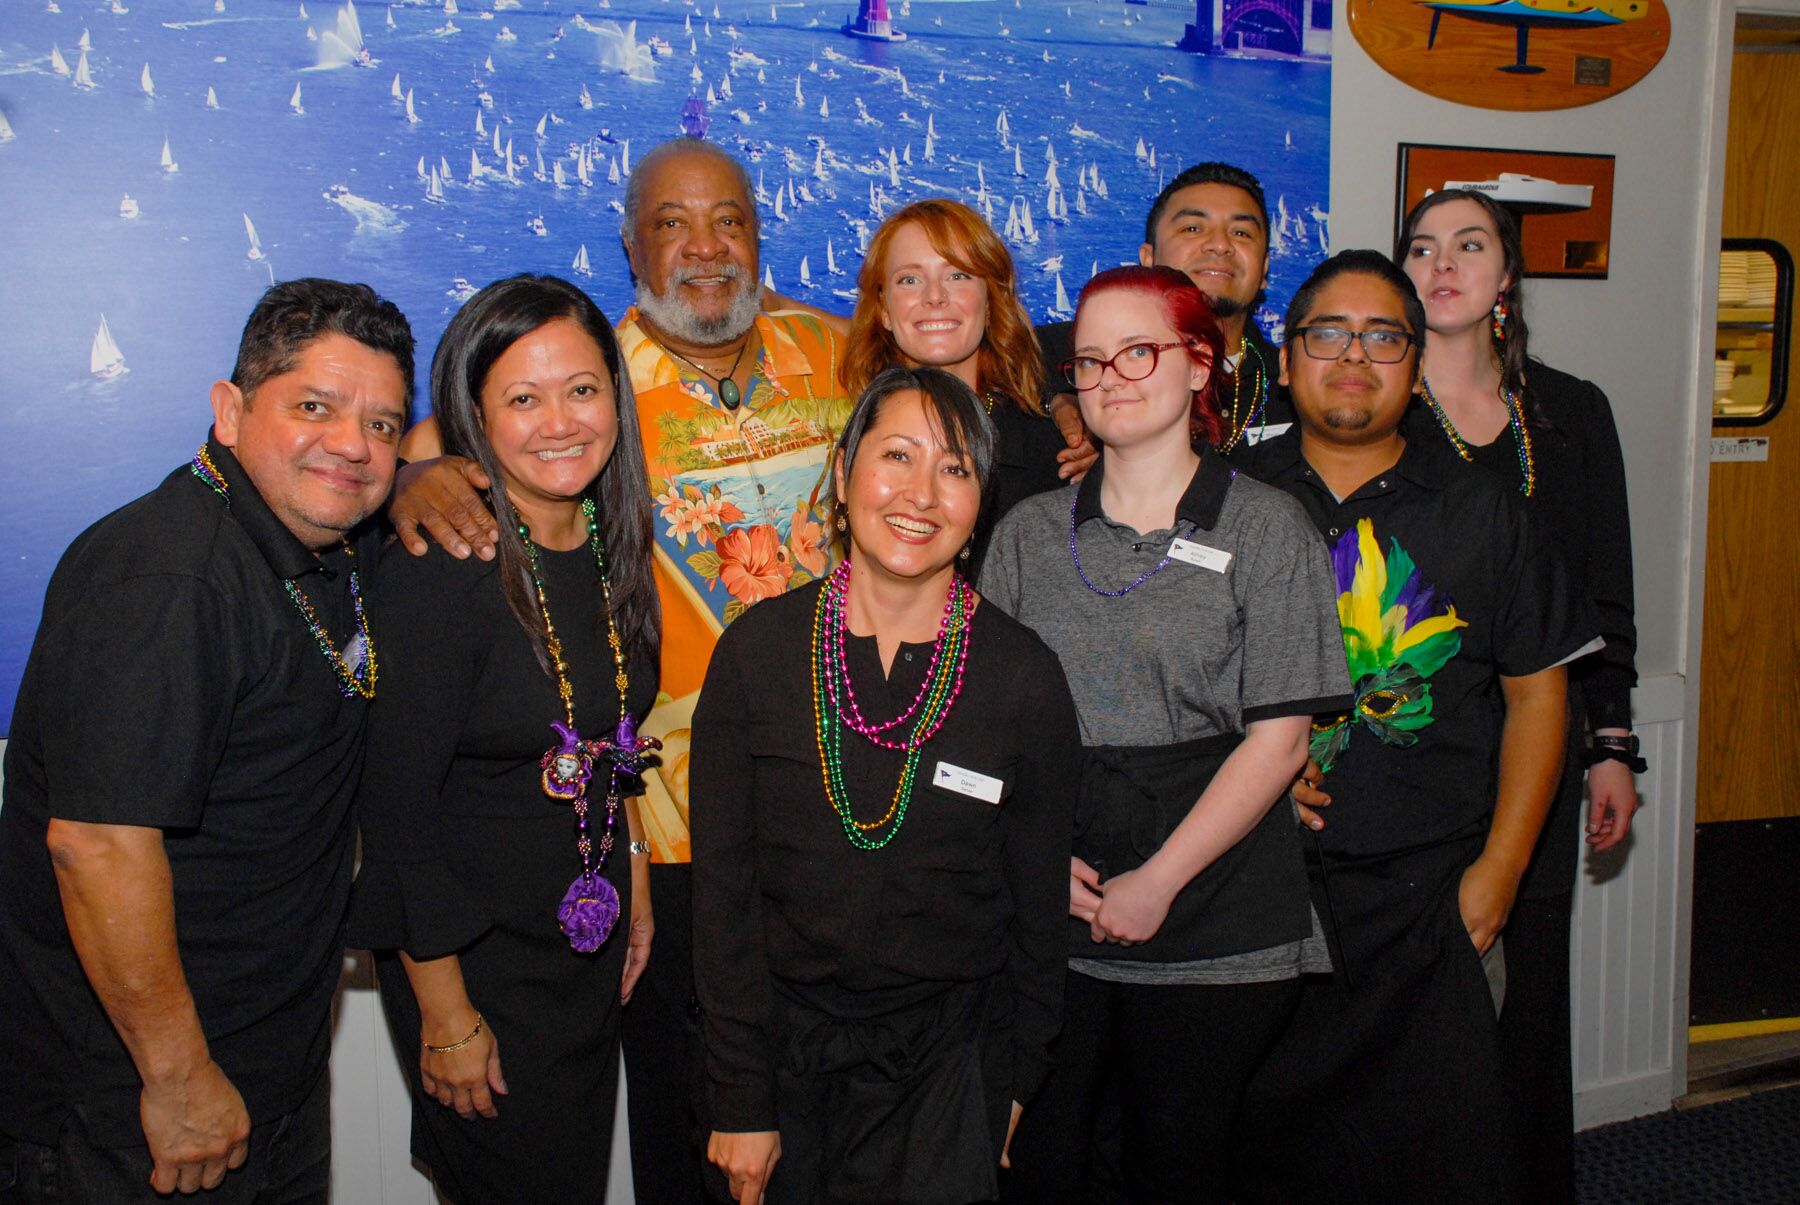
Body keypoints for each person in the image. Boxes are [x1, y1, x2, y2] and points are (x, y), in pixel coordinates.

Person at [385, 136, 856, 1200]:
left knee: (829, 1110)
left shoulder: (838, 352)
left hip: (832, 798)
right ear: (630, 244)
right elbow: (428, 445)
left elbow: (972, 389)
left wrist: (1065, 405)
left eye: (729, 220)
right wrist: (412, 482)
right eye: (671, 224)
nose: (705, 247)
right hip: (676, 823)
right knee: (686, 1118)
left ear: (760, 233)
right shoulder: (591, 374)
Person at [0, 280, 413, 1202]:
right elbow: (96, 845)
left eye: (383, 424)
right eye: (315, 407)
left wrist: (431, 478)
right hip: (137, 1111)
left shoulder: (320, 542)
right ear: (230, 411)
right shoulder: (168, 577)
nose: (353, 443)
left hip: (264, 1082)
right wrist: (179, 1079)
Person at [980, 266, 1351, 1204]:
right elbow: (984, 731)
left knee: (1178, 1170)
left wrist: (1159, 881)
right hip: (1056, 919)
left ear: (1198, 364)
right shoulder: (1024, 535)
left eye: (1137, 352)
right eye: (1089, 360)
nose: (1109, 377)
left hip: (1217, 918)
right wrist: (1032, 856)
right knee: (1039, 1169)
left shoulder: (1270, 529)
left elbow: (1281, 742)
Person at [1232, 251, 1590, 1203]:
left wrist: (1499, 877)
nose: (1355, 356)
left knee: (1443, 1164)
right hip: (1259, 905)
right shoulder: (1226, 501)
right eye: (1328, 334)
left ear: (1416, 360)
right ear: (1287, 358)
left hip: (1431, 904)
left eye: (1384, 337)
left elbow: (1538, 696)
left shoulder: (1485, 511)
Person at [691, 365, 1080, 1205]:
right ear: (843, 474)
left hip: (949, 1070)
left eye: (954, 467)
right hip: (783, 1064)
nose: (921, 494)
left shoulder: (1024, 677)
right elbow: (723, 898)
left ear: (980, 501)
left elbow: (1039, 909)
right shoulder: (757, 654)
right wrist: (741, 1093)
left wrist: (1015, 1080)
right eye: (897, 455)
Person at [347, 275, 658, 1204]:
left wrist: (635, 870)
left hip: (581, 944)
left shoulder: (611, 537)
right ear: (474, 418)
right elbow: (394, 815)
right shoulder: (442, 565)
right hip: (474, 967)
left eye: (582, 389)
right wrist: (445, 1014)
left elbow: (611, 736)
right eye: (523, 398)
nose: (560, 421)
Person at [1395, 188, 1640, 1202]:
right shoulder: (1376, 408)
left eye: (1469, 245)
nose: (1443, 264)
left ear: (1505, 277)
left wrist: (1613, 742)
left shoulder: (1571, 412)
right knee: (1415, 1013)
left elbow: (1606, 590)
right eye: (1422, 248)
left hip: (1541, 754)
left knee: (1527, 1008)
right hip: (1413, 759)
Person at [843, 198, 1075, 573]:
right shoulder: (853, 423)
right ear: (883, 308)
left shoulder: (1055, 448)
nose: (935, 296)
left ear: (991, 299)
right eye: (909, 280)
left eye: (958, 276)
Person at [1038, 162, 1297, 456]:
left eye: (1241, 232)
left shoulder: (1293, 385)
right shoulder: (1050, 355)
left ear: (1264, 269)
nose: (1219, 245)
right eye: (1193, 228)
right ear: (1148, 258)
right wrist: (1058, 402)